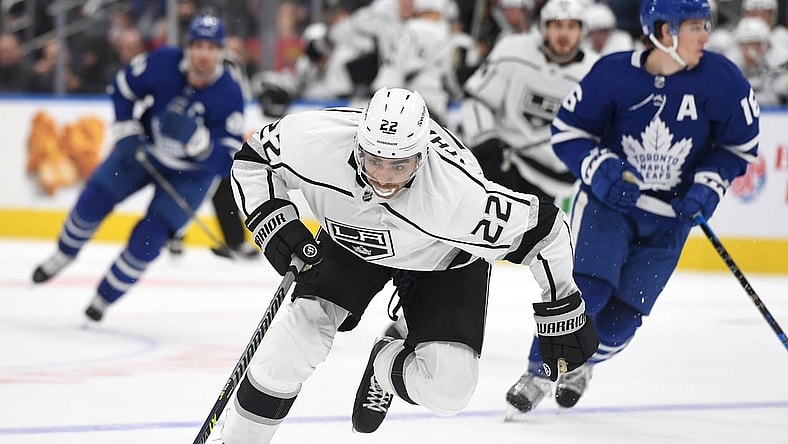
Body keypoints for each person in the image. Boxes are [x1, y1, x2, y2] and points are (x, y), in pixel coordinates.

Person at [219, 86, 599, 443]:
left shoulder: (459, 196)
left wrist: (561, 306)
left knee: (449, 390)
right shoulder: (316, 139)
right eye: (374, 160)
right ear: (358, 143)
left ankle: (384, 366)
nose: (383, 177)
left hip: (443, 259)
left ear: (421, 155)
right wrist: (277, 226)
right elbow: (254, 160)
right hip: (353, 239)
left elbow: (545, 230)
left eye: (398, 165)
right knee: (293, 341)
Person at [504, 0, 759, 416]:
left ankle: (579, 363)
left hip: (671, 218)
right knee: (589, 292)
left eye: (706, 27)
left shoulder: (722, 79)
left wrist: (708, 185)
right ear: (664, 31)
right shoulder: (614, 73)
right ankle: (539, 371)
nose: (705, 37)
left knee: (622, 321)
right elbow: (569, 130)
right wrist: (601, 169)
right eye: (695, 27)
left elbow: (738, 146)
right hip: (610, 206)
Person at [30, 15, 245, 322]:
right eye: (197, 45)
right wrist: (127, 128)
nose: (203, 54)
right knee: (93, 200)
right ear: (187, 47)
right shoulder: (163, 62)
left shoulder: (230, 95)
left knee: (148, 240)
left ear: (222, 51)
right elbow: (122, 88)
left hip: (190, 177)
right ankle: (63, 255)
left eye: (211, 47)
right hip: (141, 151)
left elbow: (227, 164)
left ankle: (104, 298)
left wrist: (199, 144)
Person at [460, 0, 598, 213]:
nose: (564, 34)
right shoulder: (513, 50)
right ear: (543, 28)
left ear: (582, 32)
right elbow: (476, 100)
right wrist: (485, 142)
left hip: (558, 182)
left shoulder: (595, 74)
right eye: (557, 25)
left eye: (572, 27)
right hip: (504, 163)